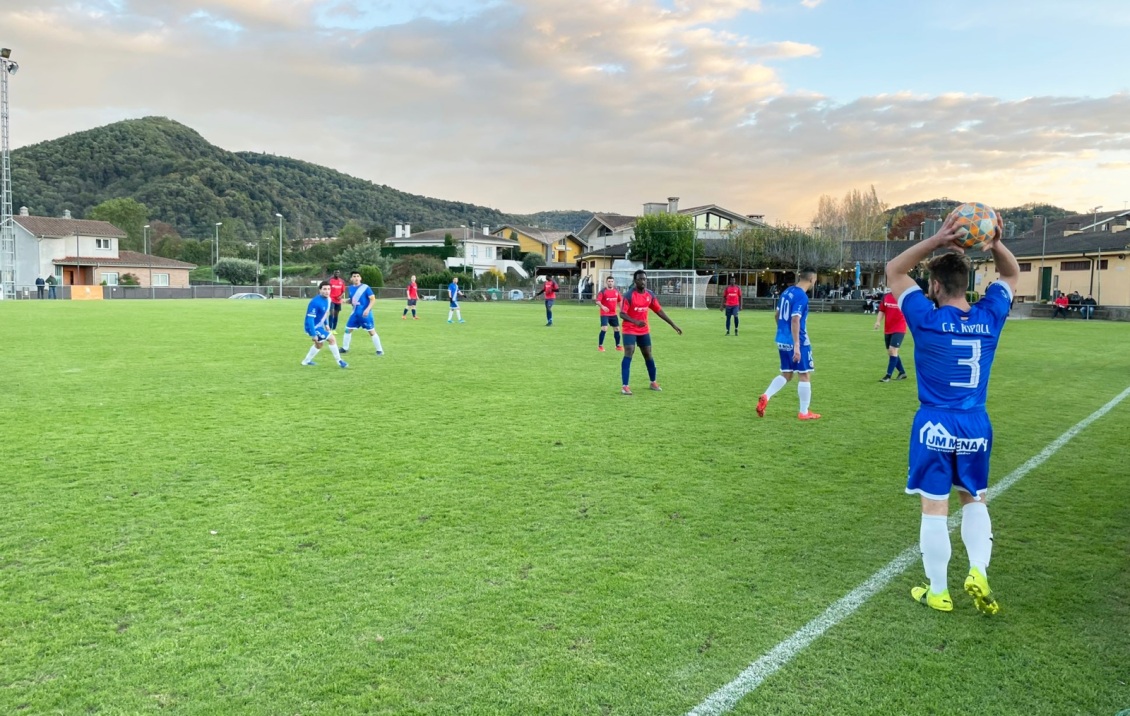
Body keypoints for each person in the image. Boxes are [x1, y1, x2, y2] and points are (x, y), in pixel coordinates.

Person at [885, 212, 1019, 615]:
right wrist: (994, 244)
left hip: (935, 423)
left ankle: (938, 590)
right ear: (970, 285)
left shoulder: (926, 318)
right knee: (974, 498)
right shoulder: (989, 315)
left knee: (934, 506)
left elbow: (894, 269)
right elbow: (1011, 277)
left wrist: (937, 239)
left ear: (936, 286)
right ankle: (978, 570)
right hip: (976, 422)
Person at [755, 268, 821, 420]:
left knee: (787, 374)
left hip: (782, 339)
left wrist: (782, 332)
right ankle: (804, 412)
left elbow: (777, 315)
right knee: (804, 375)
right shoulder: (802, 297)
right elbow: (795, 319)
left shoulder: (787, 292)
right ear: (811, 279)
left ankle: (766, 395)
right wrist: (797, 344)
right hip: (798, 340)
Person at [618, 270, 682, 394]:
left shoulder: (650, 295)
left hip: (643, 330)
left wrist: (673, 324)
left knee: (648, 354)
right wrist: (635, 321)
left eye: (644, 279)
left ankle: (653, 382)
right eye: (640, 279)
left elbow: (659, 311)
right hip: (629, 329)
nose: (643, 281)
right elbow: (622, 314)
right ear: (635, 281)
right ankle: (625, 386)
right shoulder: (629, 296)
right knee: (629, 352)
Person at [301, 281, 348, 368]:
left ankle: (306, 361)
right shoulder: (315, 302)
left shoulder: (328, 299)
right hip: (312, 327)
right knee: (332, 339)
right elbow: (310, 319)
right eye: (324, 289)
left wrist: (326, 324)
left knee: (319, 345)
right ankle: (339, 361)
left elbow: (325, 313)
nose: (327, 291)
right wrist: (314, 334)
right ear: (320, 290)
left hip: (319, 326)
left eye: (329, 289)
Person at [340, 271, 385, 355]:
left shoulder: (366, 287)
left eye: (357, 276)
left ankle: (379, 350)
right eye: (354, 276)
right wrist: (345, 301)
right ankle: (345, 348)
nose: (356, 278)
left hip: (365, 314)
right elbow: (352, 300)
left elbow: (372, 299)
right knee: (347, 330)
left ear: (360, 278)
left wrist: (367, 309)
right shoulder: (351, 288)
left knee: (371, 331)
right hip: (354, 314)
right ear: (351, 278)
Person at [873, 291, 909, 382]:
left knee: (893, 350)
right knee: (891, 352)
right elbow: (882, 310)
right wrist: (878, 322)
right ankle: (902, 372)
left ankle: (888, 376)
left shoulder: (904, 297)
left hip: (899, 328)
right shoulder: (886, 296)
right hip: (888, 328)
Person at [594, 276, 623, 352]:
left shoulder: (616, 291)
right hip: (605, 313)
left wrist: (622, 310)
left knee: (617, 329)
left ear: (614, 282)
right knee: (604, 328)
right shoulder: (603, 291)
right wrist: (602, 306)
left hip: (613, 314)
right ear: (606, 282)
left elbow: (620, 301)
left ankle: (618, 346)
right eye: (609, 281)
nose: (610, 282)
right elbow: (597, 301)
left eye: (611, 281)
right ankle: (600, 346)